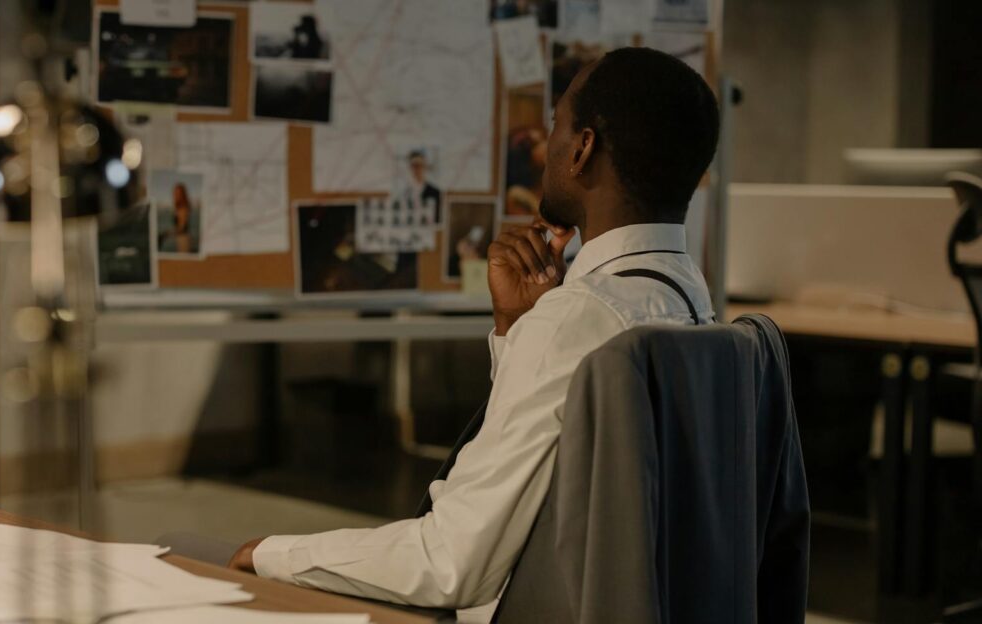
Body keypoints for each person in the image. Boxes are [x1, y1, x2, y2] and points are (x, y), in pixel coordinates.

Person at [228, 47, 721, 622]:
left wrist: (272, 553)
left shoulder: (580, 318)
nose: (548, 139)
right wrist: (515, 330)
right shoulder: (690, 298)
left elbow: (448, 562)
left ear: (583, 149)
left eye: (557, 122)